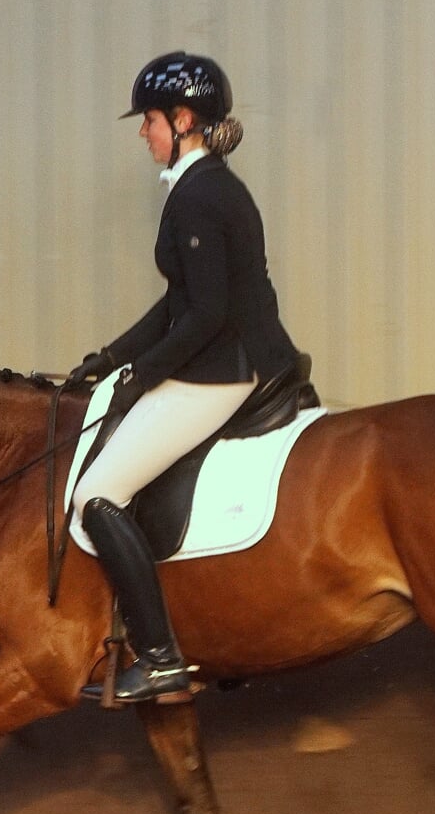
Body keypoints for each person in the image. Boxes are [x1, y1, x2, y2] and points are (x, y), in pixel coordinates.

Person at [67, 51, 301, 704]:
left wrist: (143, 373)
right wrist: (110, 357)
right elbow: (179, 302)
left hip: (227, 370)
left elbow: (207, 314)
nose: (143, 133)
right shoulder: (203, 187)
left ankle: (163, 658)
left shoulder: (199, 196)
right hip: (226, 356)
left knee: (98, 493)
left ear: (183, 119)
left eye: (148, 121)